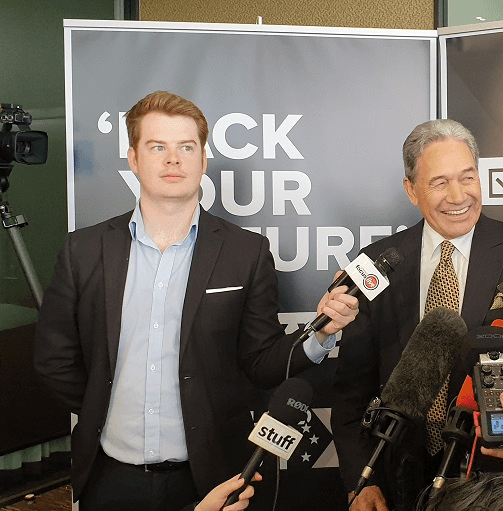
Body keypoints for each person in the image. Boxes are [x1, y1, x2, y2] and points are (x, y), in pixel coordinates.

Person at [32, 91, 360, 511]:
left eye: (186, 148)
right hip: (109, 477)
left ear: (203, 160)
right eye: (158, 147)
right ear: (133, 159)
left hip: (213, 477)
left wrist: (323, 332)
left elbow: (261, 363)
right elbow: (54, 358)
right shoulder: (84, 250)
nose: (173, 160)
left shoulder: (246, 252)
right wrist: (104, 403)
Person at [332, 119, 503, 511]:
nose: (458, 195)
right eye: (439, 182)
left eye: (468, 177)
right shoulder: (377, 264)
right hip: (401, 481)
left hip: (501, 483)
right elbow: (351, 393)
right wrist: (361, 481)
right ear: (411, 190)